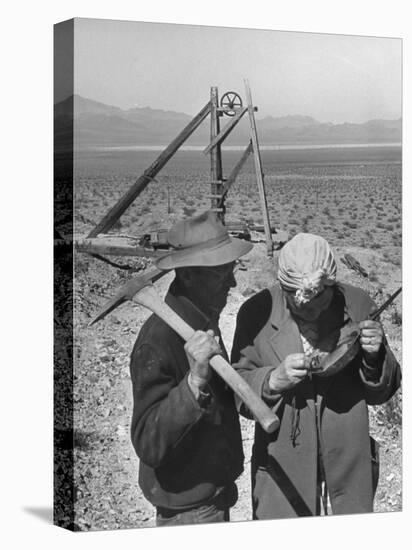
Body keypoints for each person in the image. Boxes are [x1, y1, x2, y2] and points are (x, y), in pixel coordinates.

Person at [231, 232, 401, 519]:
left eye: (316, 299)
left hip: (347, 458)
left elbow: (381, 392)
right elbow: (236, 387)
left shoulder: (358, 305)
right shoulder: (256, 313)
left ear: (331, 287)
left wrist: (375, 356)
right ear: (283, 288)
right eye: (295, 299)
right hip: (283, 464)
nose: (305, 306)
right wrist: (272, 380)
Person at [129, 210, 253, 526]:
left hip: (213, 494)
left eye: (231, 269)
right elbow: (148, 443)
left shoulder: (200, 320)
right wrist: (193, 382)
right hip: (189, 510)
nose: (233, 281)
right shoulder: (157, 340)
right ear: (188, 275)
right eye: (222, 272)